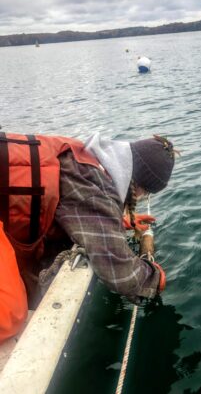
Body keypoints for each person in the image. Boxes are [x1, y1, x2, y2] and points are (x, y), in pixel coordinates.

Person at [0, 131, 175, 317]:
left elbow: (74, 200)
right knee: (11, 314)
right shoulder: (94, 192)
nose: (140, 198)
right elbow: (123, 275)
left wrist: (114, 220)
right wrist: (154, 279)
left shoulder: (82, 157)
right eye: (144, 193)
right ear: (137, 185)